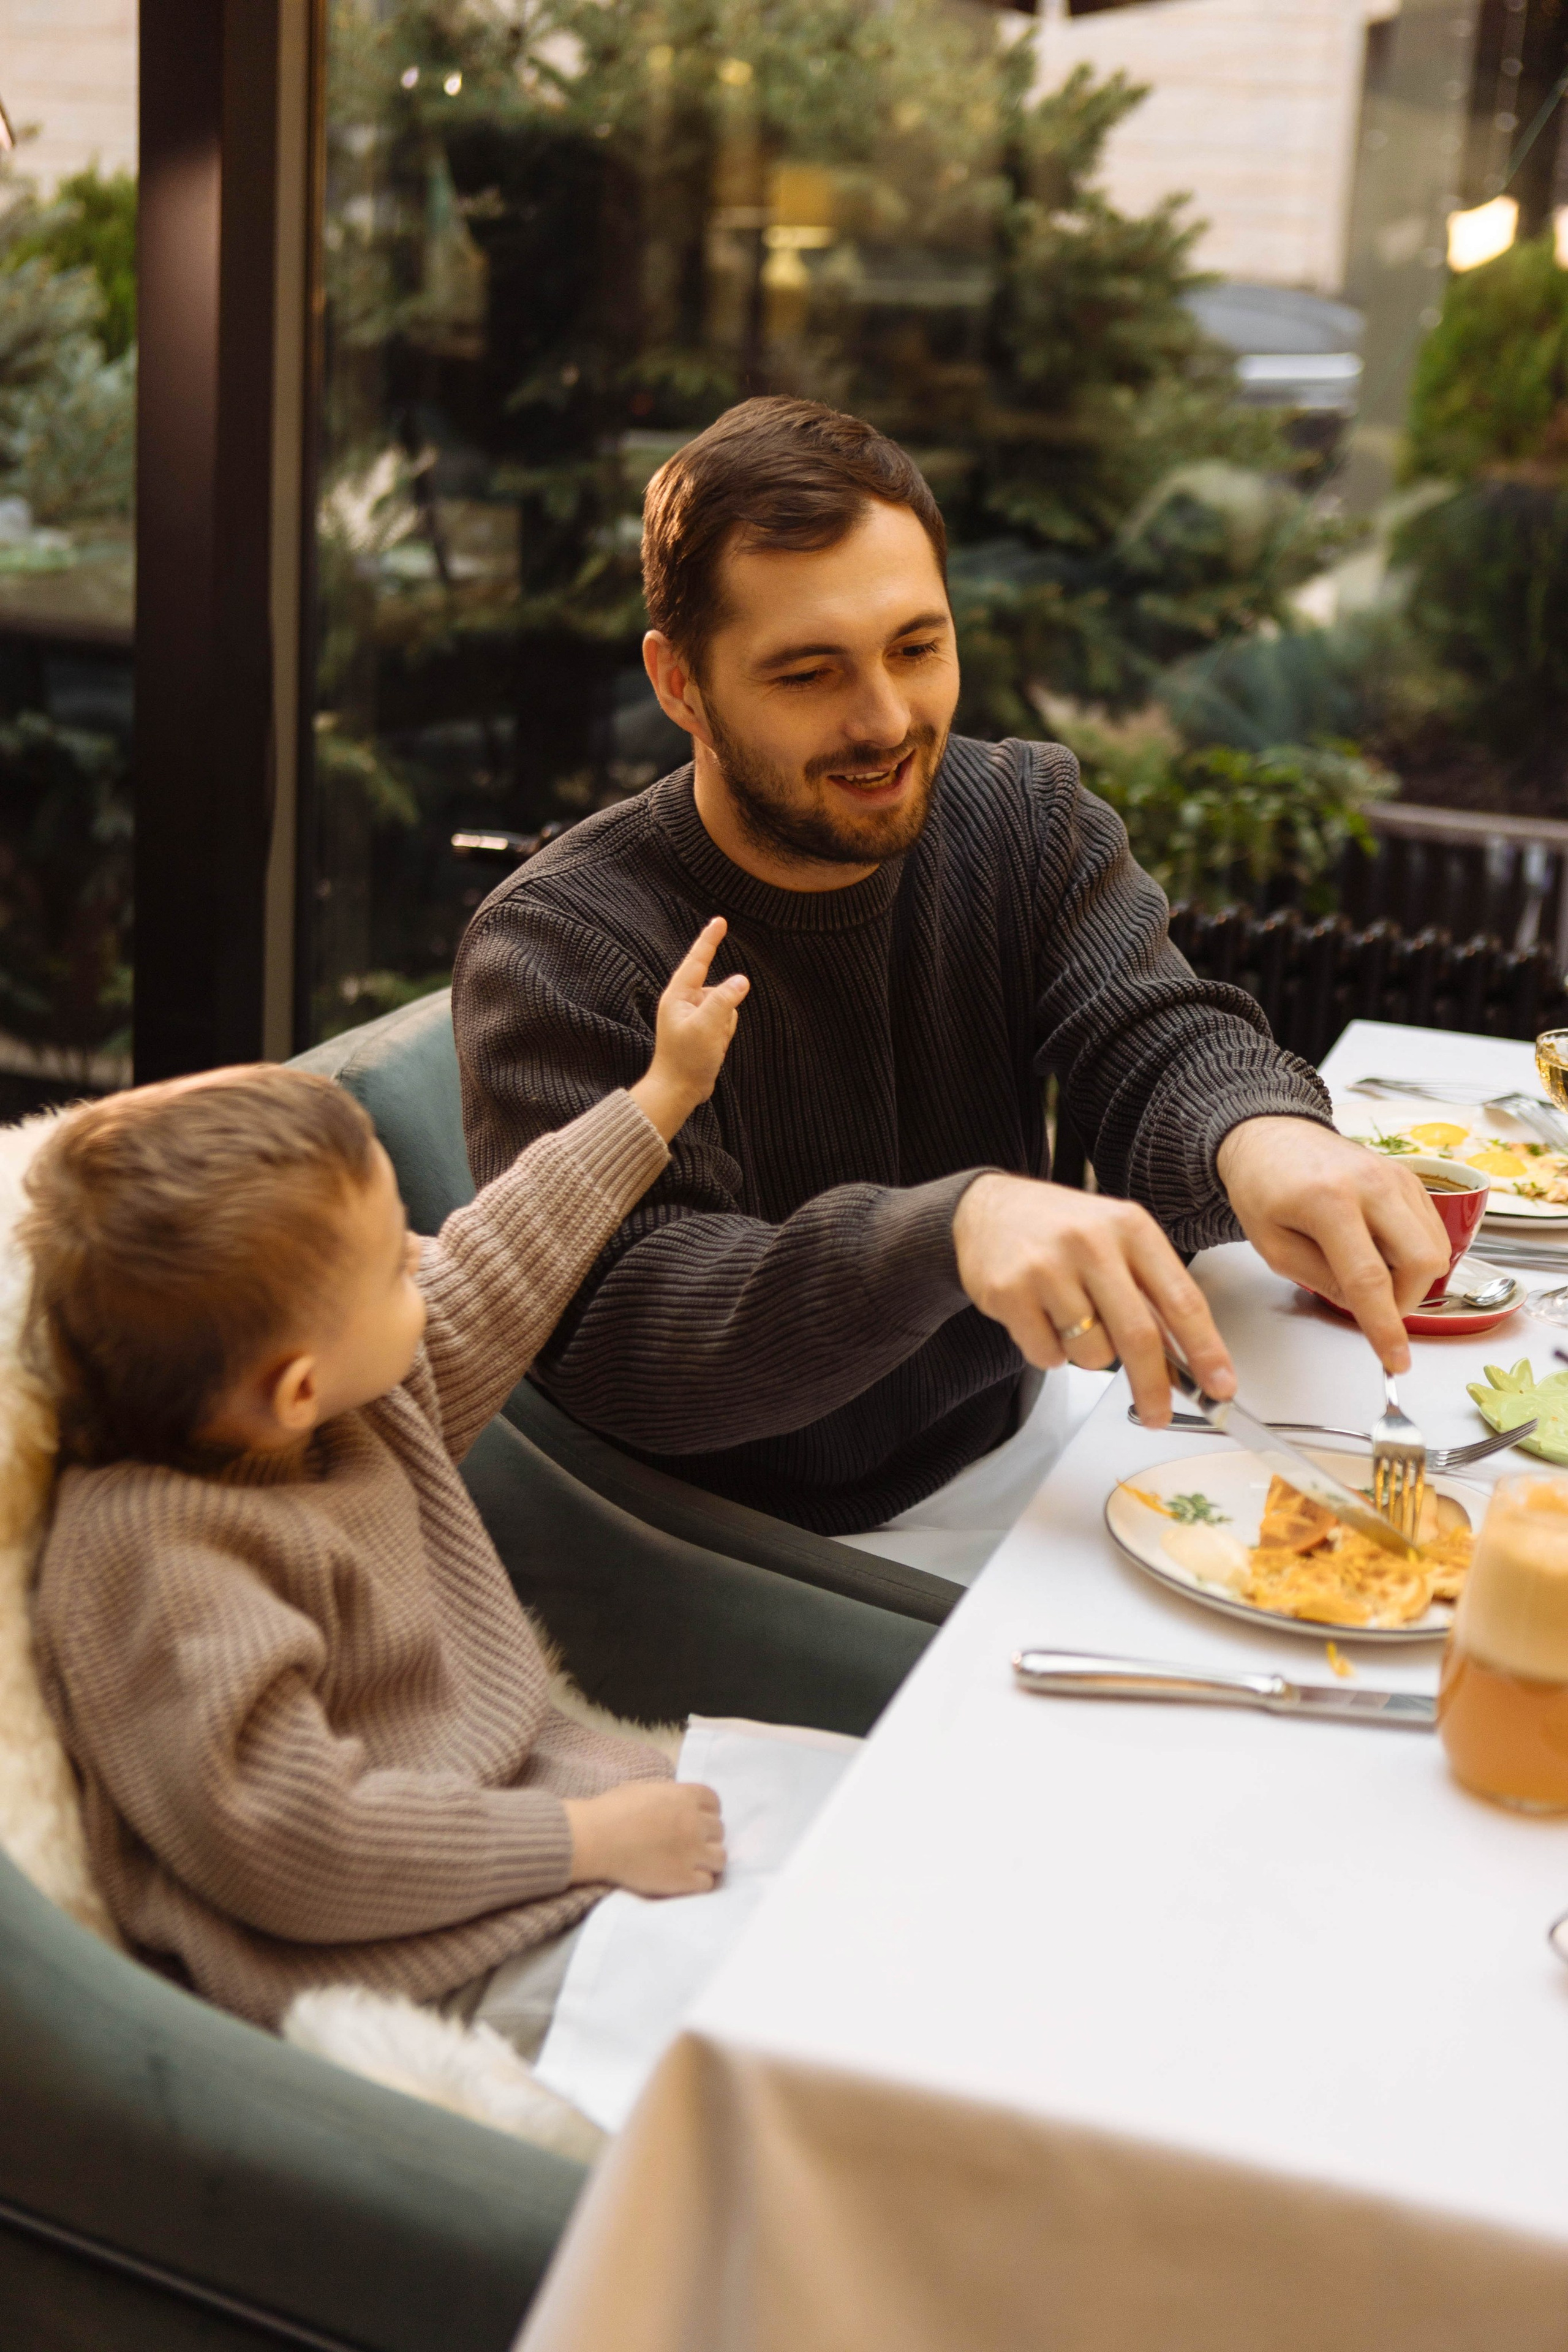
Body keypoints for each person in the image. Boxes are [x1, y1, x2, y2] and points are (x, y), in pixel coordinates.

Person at [453, 397, 1448, 1546]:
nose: (886, 721)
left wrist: (1265, 1138)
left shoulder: (1023, 817)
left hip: (1024, 1442)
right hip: (749, 1544)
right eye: (808, 674)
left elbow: (1153, 1035)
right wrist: (948, 1234)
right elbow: (630, 1336)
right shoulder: (562, 943)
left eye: (916, 649)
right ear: (679, 684)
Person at [24, 923, 747, 2038]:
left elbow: (500, 1262)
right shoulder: (155, 1561)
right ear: (296, 1386)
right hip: (421, 1964)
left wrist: (662, 1093)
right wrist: (583, 1843)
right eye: (389, 1268)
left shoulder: (334, 1412)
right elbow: (293, 1844)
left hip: (547, 1827)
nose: (423, 1254)